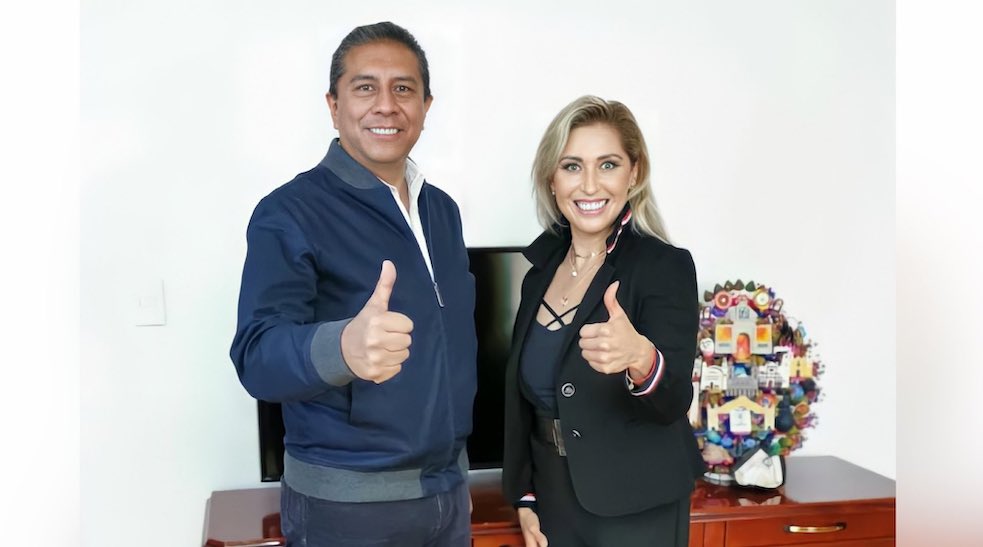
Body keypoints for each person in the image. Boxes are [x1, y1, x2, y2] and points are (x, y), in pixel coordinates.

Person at [230, 22, 476, 547]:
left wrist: (455, 479)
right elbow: (255, 355)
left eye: (403, 88)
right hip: (346, 510)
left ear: (426, 106)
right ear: (333, 104)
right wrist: (342, 347)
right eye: (366, 87)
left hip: (448, 496)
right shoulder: (289, 212)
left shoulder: (442, 211)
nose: (386, 105)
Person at [502, 95, 704, 547]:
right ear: (552, 179)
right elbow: (526, 403)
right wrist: (525, 494)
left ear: (634, 173)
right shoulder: (537, 272)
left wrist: (641, 358)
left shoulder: (663, 266)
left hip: (637, 502)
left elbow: (673, 400)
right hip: (554, 497)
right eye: (572, 166)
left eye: (608, 165)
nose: (589, 185)